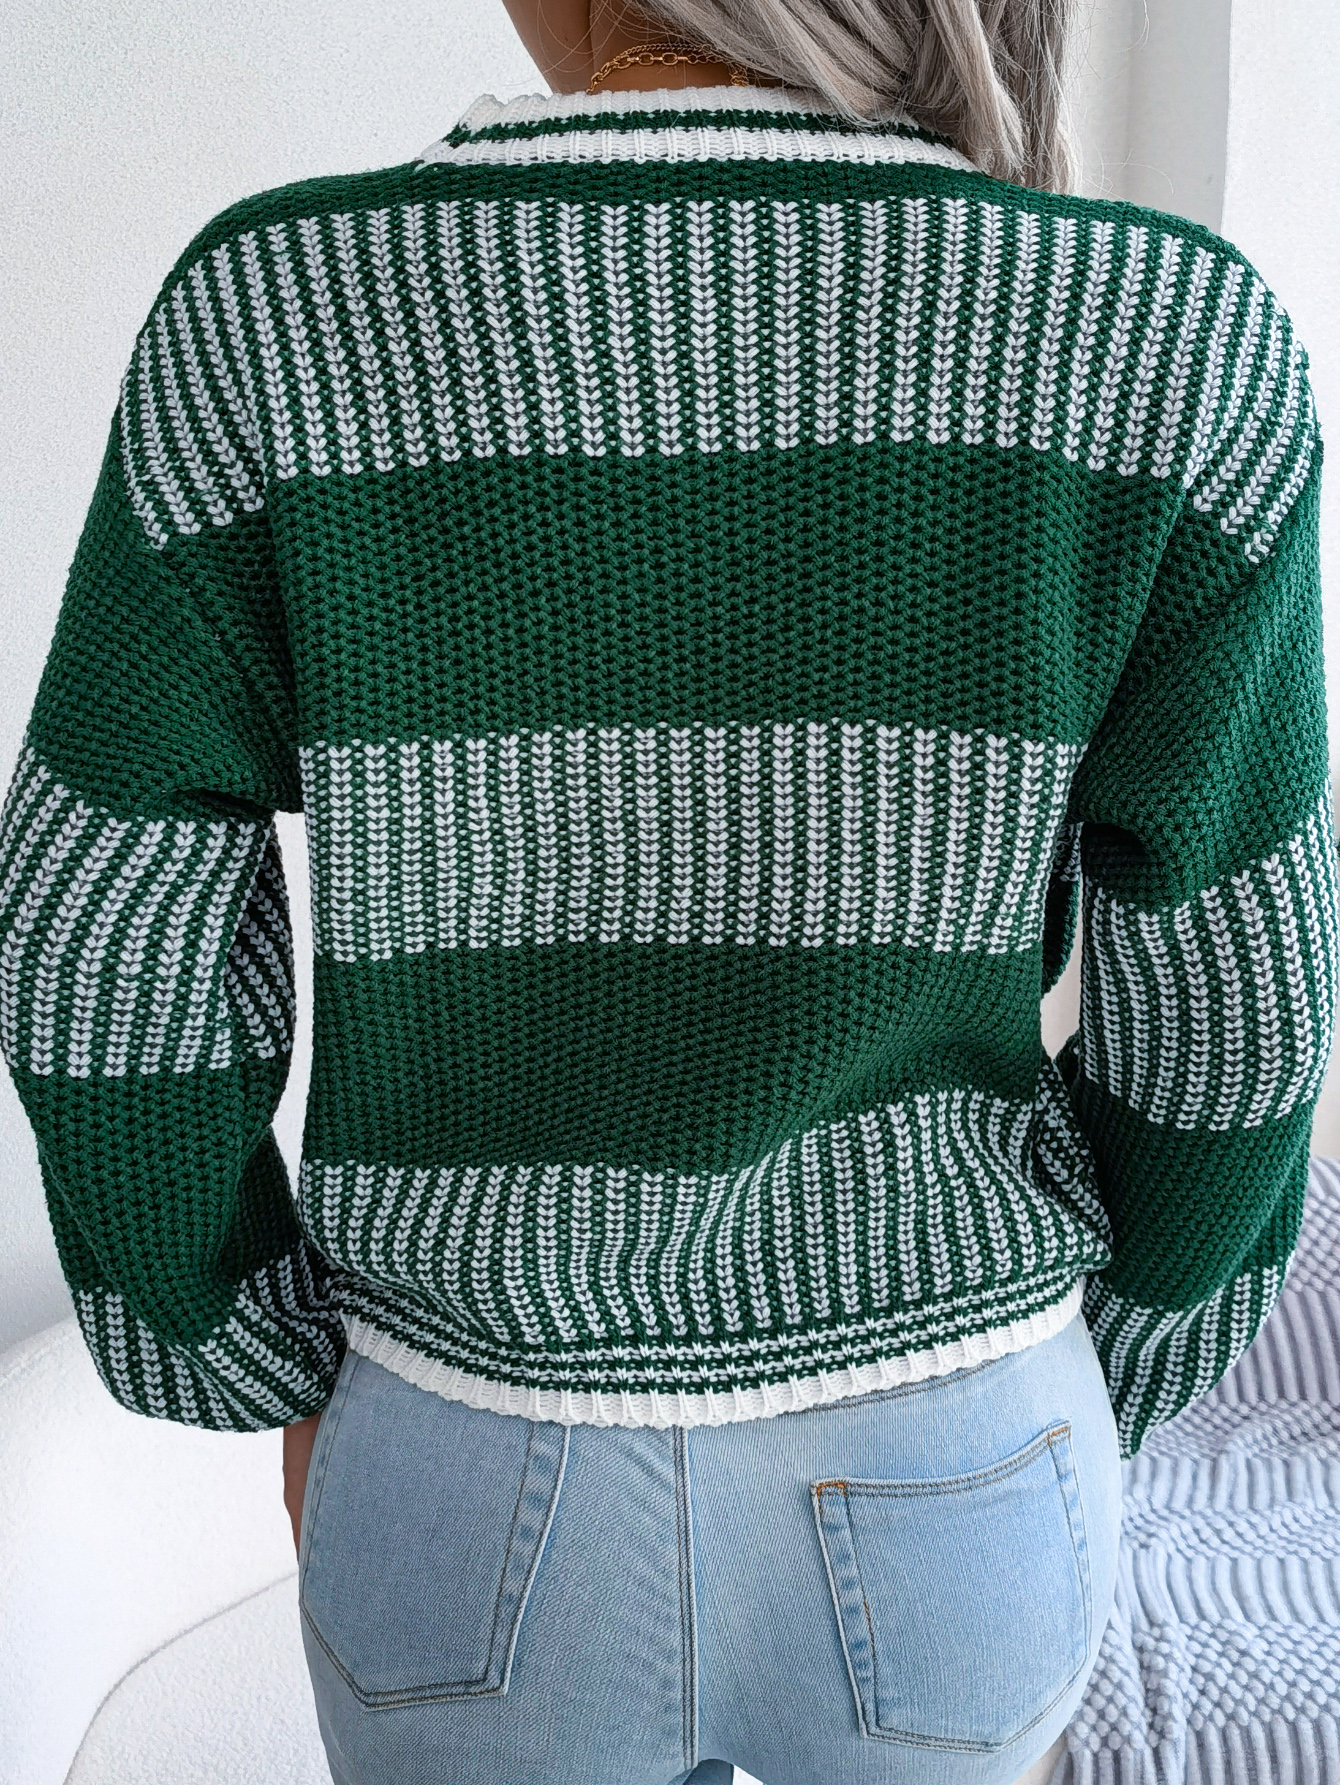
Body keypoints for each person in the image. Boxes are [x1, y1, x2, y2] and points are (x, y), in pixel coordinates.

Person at [1, 0, 1333, 1779]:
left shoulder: (274, 319)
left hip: (465, 1457)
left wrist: (243, 1348)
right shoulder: (1170, 343)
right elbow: (1242, 1006)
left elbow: (96, 928)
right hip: (959, 1462)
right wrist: (1111, 1350)